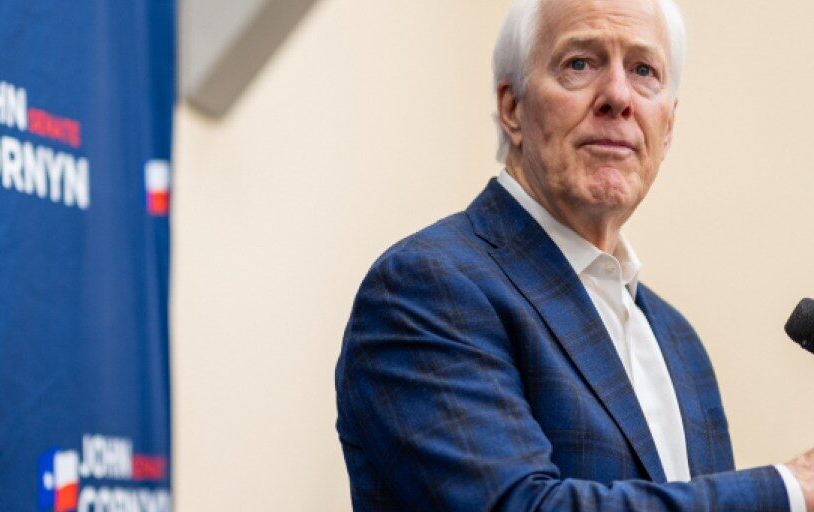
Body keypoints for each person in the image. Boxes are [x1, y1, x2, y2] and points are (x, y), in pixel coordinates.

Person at [335, 0, 814, 510]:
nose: (618, 97)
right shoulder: (426, 287)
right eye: (580, 64)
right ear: (512, 109)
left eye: (644, 71)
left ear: (668, 126)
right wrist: (792, 489)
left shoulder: (679, 341)